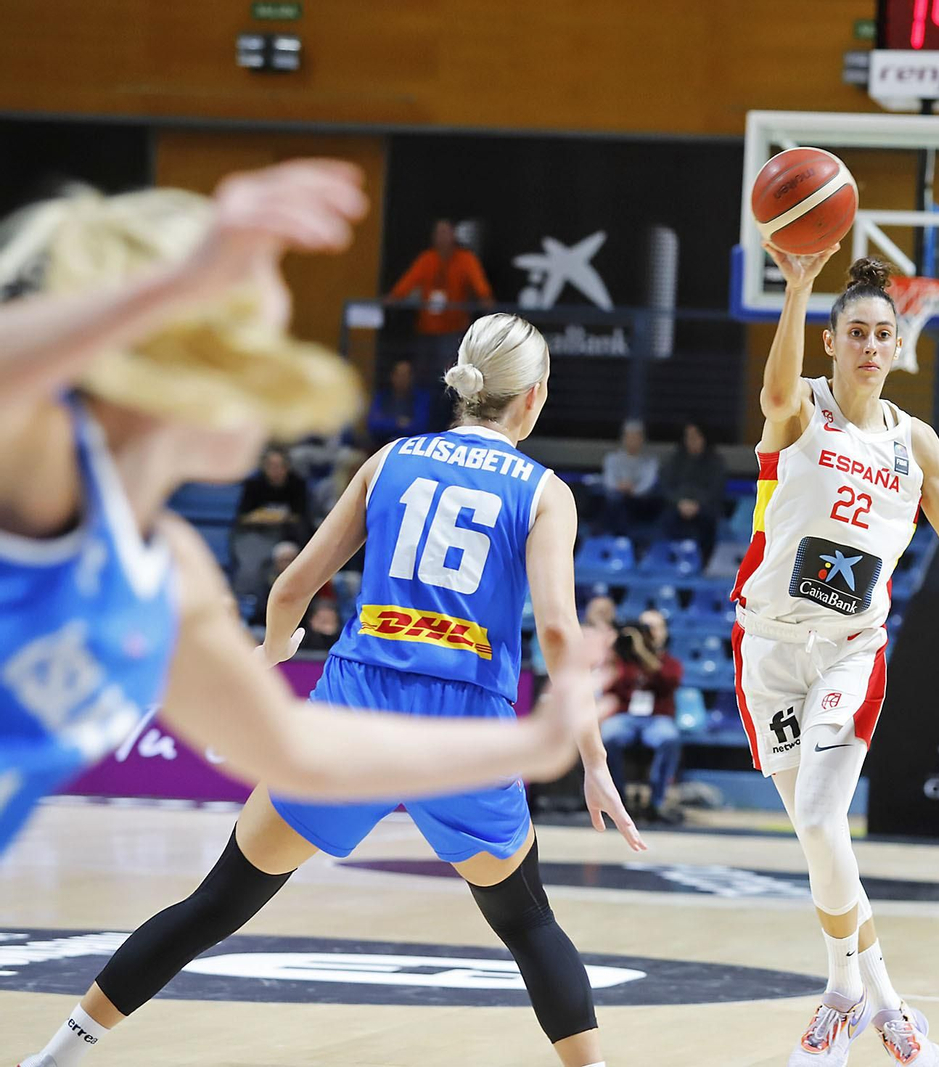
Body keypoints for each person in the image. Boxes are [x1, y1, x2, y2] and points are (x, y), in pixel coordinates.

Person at [23, 313, 642, 1067]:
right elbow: (554, 631)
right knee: (528, 923)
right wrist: (592, 758)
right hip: (465, 719)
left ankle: (52, 1056)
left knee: (215, 903)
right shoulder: (545, 492)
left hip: (353, 706)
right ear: (534, 397)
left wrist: (274, 651)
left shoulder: (391, 458)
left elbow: (291, 587)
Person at [0, 160, 594, 866]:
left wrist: (531, 742)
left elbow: (295, 749)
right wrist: (174, 282)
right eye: (258, 350)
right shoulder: (43, 474)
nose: (273, 381)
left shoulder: (169, 571)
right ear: (178, 352)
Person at [738, 249, 939, 1067]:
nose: (869, 345)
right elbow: (774, 391)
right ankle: (891, 1008)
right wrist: (795, 285)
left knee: (823, 819)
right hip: (768, 647)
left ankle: (841, 993)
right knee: (823, 845)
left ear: (897, 346)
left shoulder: (914, 442)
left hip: (849, 651)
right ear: (831, 341)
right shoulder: (800, 413)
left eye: (882, 334)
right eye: (855, 331)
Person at [601, 609, 685, 823]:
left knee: (669, 738)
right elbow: (610, 686)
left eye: (654, 627)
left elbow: (669, 682)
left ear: (664, 632)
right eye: (645, 627)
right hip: (624, 717)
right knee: (608, 736)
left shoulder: (670, 661)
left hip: (657, 719)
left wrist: (645, 652)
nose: (650, 632)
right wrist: (613, 650)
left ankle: (657, 802)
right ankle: (616, 800)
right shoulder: (622, 658)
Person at [386, 219, 494, 380]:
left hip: (452, 330)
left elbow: (481, 288)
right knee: (422, 375)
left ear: (453, 236)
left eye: (445, 233)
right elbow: (406, 284)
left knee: (448, 377)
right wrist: (393, 298)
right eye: (438, 233)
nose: (441, 237)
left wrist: (486, 300)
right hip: (426, 329)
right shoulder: (427, 259)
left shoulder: (466, 259)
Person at [660, 421, 726, 567]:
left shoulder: (716, 462)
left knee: (709, 521)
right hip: (677, 508)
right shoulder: (674, 460)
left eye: (696, 437)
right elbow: (666, 486)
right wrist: (680, 503)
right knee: (666, 519)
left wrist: (697, 505)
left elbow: (715, 489)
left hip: (704, 509)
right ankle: (671, 564)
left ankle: (704, 564)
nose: (692, 441)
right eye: (689, 437)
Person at [598, 419, 659, 535]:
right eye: (629, 437)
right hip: (616, 500)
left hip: (641, 503)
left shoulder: (650, 461)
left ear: (642, 439)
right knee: (614, 500)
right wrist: (620, 486)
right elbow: (608, 481)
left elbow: (647, 484)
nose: (632, 441)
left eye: (635, 437)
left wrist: (633, 489)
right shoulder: (612, 459)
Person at [366, 357, 433, 446]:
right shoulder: (381, 397)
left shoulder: (422, 398)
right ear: (392, 376)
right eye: (399, 374)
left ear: (412, 377)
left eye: (405, 375)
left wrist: (388, 423)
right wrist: (398, 423)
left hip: (411, 447)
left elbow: (420, 427)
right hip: (381, 446)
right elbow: (373, 425)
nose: (402, 379)